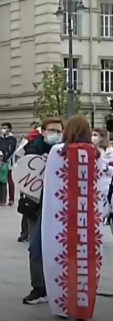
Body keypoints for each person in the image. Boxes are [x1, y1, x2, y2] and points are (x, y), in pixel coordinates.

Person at [40, 116, 112, 319]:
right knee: (87, 261)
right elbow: (105, 175)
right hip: (90, 222)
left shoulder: (58, 152)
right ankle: (83, 305)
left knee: (60, 261)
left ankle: (62, 306)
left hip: (60, 222)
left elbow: (50, 182)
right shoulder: (95, 154)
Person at [21, 116, 62, 305]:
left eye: (59, 131)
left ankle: (57, 286)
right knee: (35, 248)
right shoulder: (33, 149)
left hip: (58, 207)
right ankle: (39, 288)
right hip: (37, 207)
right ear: (43, 131)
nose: (56, 135)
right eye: (52, 130)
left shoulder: (63, 151)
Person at [0, 122, 18, 206]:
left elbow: (12, 150)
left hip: (9, 162)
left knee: (9, 180)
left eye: (5, 128)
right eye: (2, 128)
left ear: (9, 129)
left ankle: (11, 199)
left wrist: (5, 159)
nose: (3, 129)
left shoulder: (12, 139)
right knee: (1, 180)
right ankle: (1, 198)